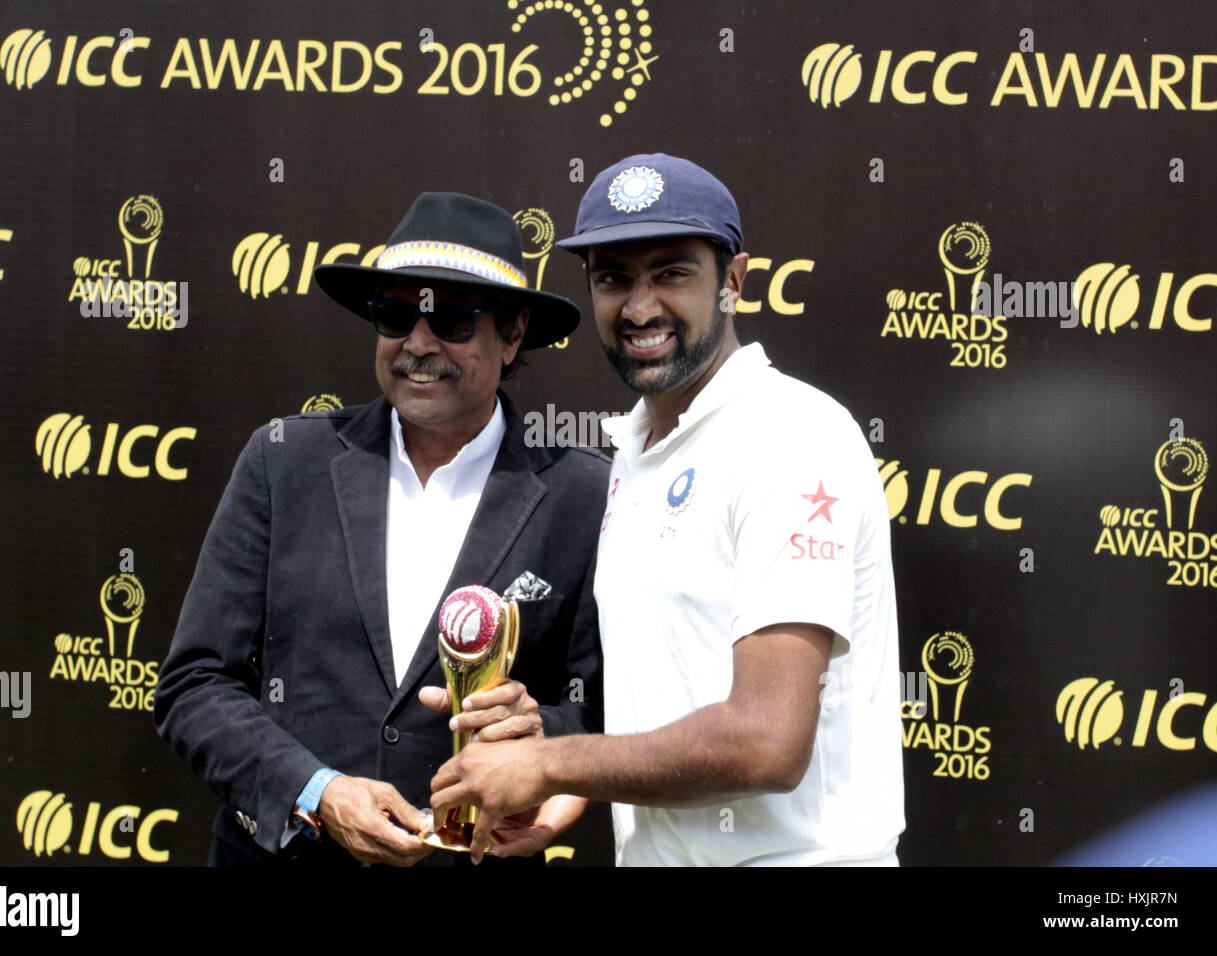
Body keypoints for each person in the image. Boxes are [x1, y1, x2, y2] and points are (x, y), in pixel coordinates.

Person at [430, 154, 905, 866]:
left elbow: (767, 744)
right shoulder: (637, 450)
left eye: (671, 273)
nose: (640, 306)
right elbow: (670, 695)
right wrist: (568, 789)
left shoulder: (792, 436)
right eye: (613, 277)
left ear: (733, 283)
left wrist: (552, 764)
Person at [154, 192, 608, 866]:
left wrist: (540, 734)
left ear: (512, 336)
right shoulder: (284, 461)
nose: (418, 343)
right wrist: (317, 792)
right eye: (397, 315)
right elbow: (194, 686)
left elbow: (607, 710)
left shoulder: (584, 494)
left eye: (453, 321)